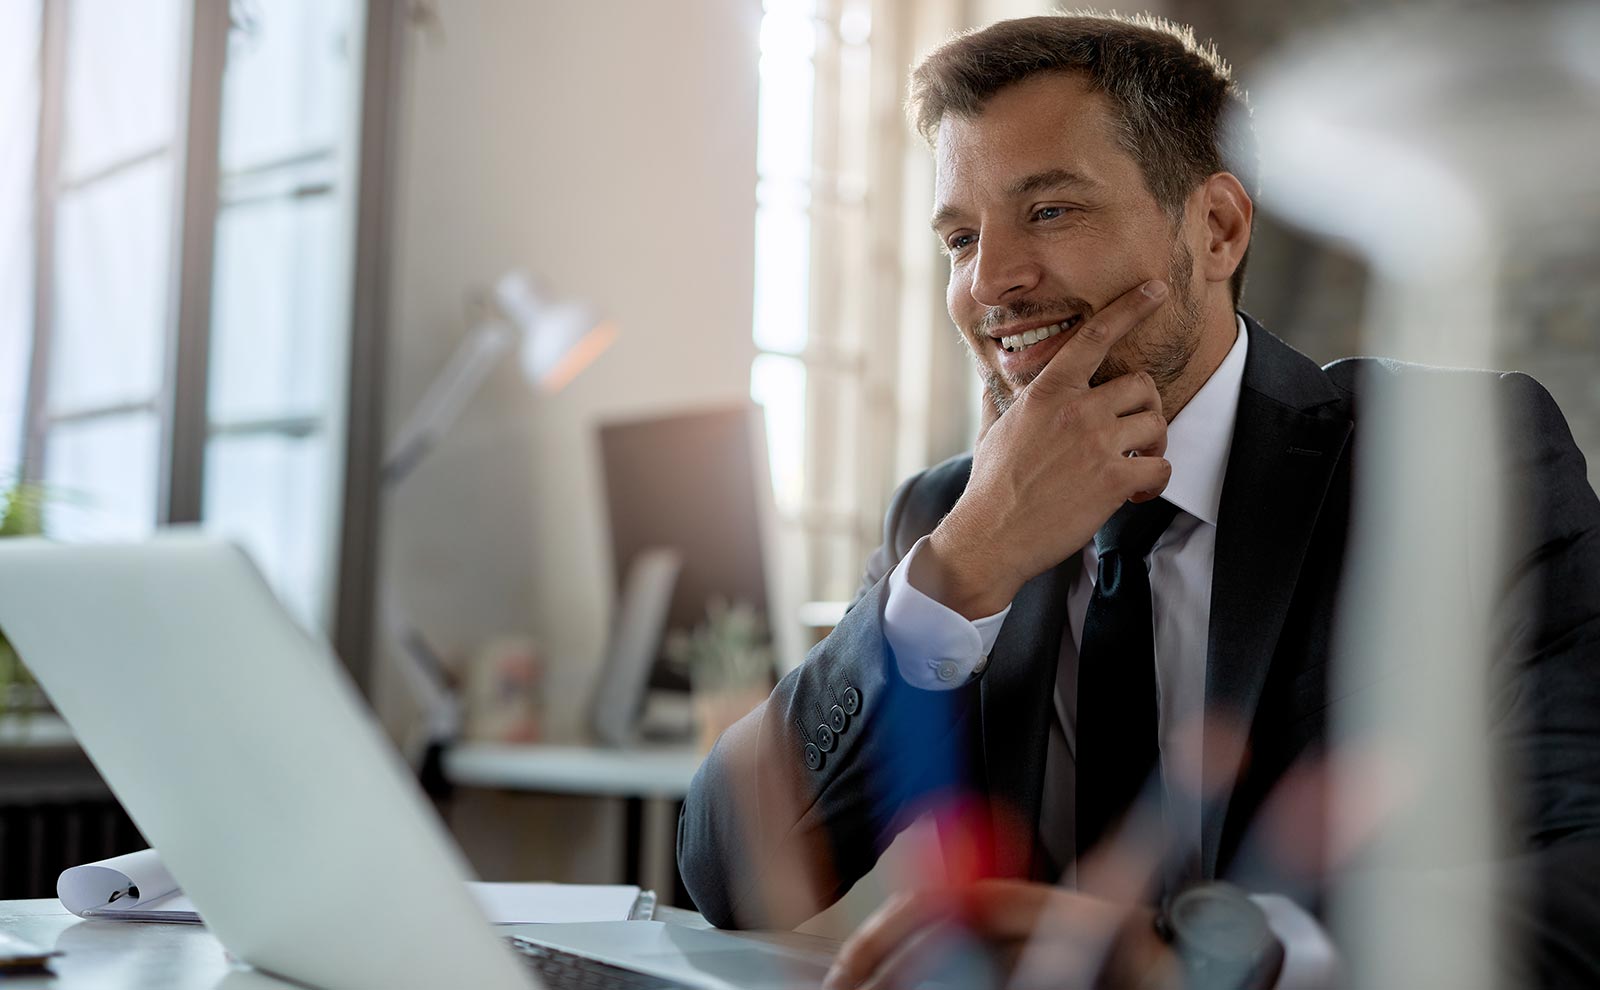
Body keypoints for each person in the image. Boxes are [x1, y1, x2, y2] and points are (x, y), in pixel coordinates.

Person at [678, 11, 1600, 988]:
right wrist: (965, 565)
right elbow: (728, 874)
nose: (989, 281)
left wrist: (1203, 955)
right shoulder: (948, 518)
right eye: (958, 237)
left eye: (1050, 211)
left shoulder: (1454, 463)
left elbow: (1583, 868)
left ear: (1215, 227)